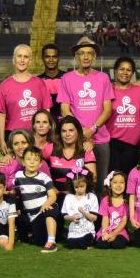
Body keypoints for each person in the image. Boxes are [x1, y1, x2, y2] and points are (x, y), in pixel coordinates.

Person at [58, 37, 114, 193]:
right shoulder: (67, 78)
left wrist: (93, 129)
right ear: (76, 56)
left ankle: (99, 216)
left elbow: (107, 109)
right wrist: (80, 132)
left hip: (100, 137)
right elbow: (65, 109)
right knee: (78, 182)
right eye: (82, 53)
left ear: (94, 56)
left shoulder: (103, 78)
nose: (86, 56)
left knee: (101, 182)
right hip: (76, 140)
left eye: (89, 53)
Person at [0, 44, 51, 154]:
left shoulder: (39, 83)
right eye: (19, 56)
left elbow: (46, 112)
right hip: (13, 137)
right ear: (13, 59)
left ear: (30, 61)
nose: (22, 60)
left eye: (26, 57)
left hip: (35, 136)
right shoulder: (5, 85)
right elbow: (1, 115)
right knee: (13, 170)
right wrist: (2, 141)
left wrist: (44, 137)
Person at [14, 146, 61, 252]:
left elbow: (53, 195)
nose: (32, 162)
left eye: (35, 160)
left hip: (44, 209)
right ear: (23, 162)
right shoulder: (18, 176)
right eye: (29, 159)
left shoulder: (44, 178)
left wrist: (46, 204)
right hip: (32, 215)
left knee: (50, 210)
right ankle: (46, 236)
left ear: (40, 164)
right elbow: (15, 192)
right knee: (39, 242)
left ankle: (52, 242)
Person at [108, 57, 140, 174]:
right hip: (112, 142)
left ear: (132, 73)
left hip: (133, 144)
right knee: (114, 178)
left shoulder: (139, 92)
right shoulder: (108, 90)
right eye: (121, 69)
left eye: (128, 70)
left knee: (130, 177)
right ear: (115, 71)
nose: (125, 73)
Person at [47, 116, 98, 193]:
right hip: (55, 195)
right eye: (64, 131)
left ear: (78, 131)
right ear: (60, 133)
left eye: (71, 130)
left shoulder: (86, 149)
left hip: (78, 195)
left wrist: (67, 192)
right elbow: (39, 167)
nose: (67, 134)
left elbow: (92, 178)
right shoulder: (50, 148)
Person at [61, 168, 100, 249]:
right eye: (76, 187)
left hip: (87, 231)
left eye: (82, 186)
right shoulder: (68, 197)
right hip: (73, 232)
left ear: (87, 184)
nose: (79, 189)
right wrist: (71, 218)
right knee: (71, 245)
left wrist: (84, 213)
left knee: (83, 242)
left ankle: (90, 242)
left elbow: (94, 218)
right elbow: (65, 215)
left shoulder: (92, 197)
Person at [96, 171, 130, 249]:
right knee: (102, 244)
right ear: (110, 185)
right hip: (107, 228)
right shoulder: (105, 200)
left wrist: (114, 234)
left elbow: (124, 221)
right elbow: (105, 218)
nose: (118, 185)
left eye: (122, 182)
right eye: (115, 182)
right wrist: (105, 232)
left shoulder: (126, 202)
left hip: (119, 231)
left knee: (118, 245)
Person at [38, 44, 66, 121]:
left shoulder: (67, 78)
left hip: (65, 125)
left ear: (58, 58)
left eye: (54, 56)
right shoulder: (38, 81)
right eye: (47, 57)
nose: (51, 60)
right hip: (45, 125)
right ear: (42, 58)